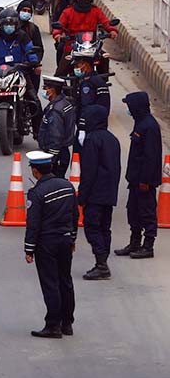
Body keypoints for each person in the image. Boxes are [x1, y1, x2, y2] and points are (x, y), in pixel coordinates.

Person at [24, 149, 78, 339]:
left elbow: (33, 224)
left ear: (36, 171)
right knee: (65, 280)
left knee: (50, 283)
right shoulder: (67, 186)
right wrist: (72, 238)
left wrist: (29, 249)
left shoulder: (36, 193)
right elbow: (74, 215)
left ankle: (53, 325)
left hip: (47, 243)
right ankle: (67, 323)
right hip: (65, 240)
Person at [115, 92, 163, 259]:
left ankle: (148, 246)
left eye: (129, 105)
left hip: (144, 180)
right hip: (135, 178)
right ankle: (135, 242)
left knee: (147, 212)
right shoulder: (140, 123)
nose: (128, 109)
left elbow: (151, 157)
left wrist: (145, 180)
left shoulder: (149, 126)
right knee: (133, 211)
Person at [78, 104, 121, 280]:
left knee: (92, 227)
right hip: (109, 193)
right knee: (105, 228)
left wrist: (82, 196)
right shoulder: (112, 139)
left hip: (95, 193)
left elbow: (89, 171)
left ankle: (101, 264)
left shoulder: (92, 140)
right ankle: (103, 260)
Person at [53, 0, 118, 75]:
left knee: (104, 58)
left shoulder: (96, 11)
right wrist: (57, 34)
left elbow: (106, 23)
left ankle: (103, 84)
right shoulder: (68, 12)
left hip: (93, 46)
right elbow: (59, 25)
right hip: (72, 46)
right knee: (59, 74)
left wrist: (112, 31)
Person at [38, 75, 76, 178]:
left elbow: (56, 136)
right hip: (62, 152)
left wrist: (51, 159)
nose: (44, 91)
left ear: (52, 90)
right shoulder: (65, 103)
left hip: (57, 154)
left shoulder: (55, 110)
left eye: (45, 88)